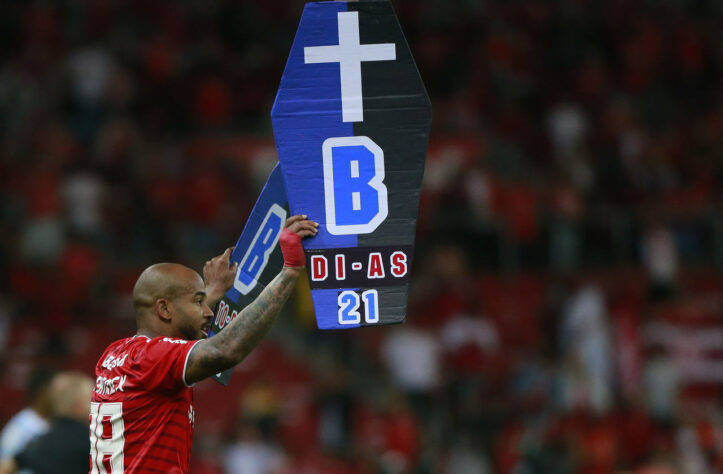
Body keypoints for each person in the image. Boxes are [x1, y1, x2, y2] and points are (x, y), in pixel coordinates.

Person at [89, 215, 317, 473]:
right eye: (198, 302)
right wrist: (289, 271)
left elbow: (175, 333)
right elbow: (225, 349)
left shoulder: (115, 354)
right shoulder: (155, 356)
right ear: (164, 308)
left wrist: (213, 290)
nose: (208, 312)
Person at [0, 371, 94, 474]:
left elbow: (8, 465)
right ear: (78, 404)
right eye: (92, 399)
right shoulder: (92, 442)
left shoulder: (41, 441)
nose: (96, 405)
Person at [0, 367, 57, 474]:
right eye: (56, 391)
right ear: (43, 392)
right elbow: (5, 467)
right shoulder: (19, 428)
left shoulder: (55, 423)